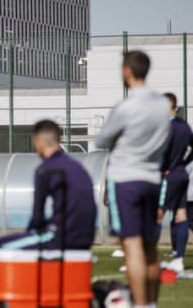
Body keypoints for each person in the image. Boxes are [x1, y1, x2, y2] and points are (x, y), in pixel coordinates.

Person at [95, 50, 170, 308]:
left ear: (127, 70)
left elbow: (102, 139)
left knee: (132, 244)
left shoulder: (126, 107)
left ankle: (138, 305)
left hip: (125, 178)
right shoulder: (162, 105)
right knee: (151, 245)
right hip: (152, 178)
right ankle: (151, 303)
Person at [0, 120, 97, 250]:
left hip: (60, 237)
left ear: (38, 141)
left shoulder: (45, 170)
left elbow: (37, 219)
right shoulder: (78, 167)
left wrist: (31, 234)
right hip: (87, 238)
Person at [158, 92, 193, 273]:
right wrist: (182, 163)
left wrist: (165, 167)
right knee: (181, 216)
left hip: (168, 177)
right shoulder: (185, 126)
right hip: (181, 175)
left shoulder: (165, 128)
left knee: (157, 214)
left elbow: (162, 152)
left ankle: (147, 259)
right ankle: (178, 259)